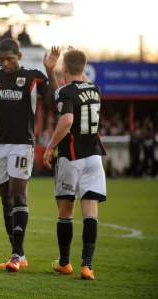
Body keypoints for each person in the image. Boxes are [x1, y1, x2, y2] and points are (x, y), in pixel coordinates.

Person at [0, 38, 50, 272]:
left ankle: (16, 255)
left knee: (18, 195)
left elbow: (54, 100)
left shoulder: (35, 76)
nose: (4, 63)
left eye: (9, 58)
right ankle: (18, 253)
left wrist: (51, 72)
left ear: (20, 56)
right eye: (1, 59)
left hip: (22, 143)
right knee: (5, 199)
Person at [43, 46, 107, 280]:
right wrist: (76, 60)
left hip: (71, 157)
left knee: (66, 211)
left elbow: (67, 119)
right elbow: (83, 83)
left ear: (65, 69)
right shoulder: (95, 89)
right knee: (90, 212)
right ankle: (87, 266)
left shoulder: (65, 91)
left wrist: (50, 147)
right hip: (94, 157)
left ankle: (65, 263)